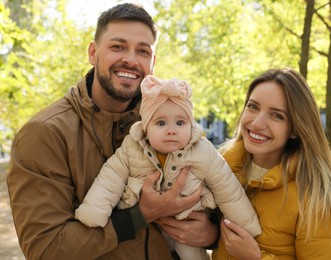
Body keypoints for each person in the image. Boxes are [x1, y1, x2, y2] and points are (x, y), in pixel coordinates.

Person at [7, 3, 218, 259]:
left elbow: (217, 185)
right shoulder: (44, 135)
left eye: (142, 51)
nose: (130, 59)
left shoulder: (170, 120)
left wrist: (213, 233)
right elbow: (46, 249)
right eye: (117, 47)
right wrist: (140, 215)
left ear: (152, 62)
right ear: (93, 53)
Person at [75, 75, 262, 260]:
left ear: (190, 125)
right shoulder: (132, 147)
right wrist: (94, 211)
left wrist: (246, 224)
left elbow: (227, 188)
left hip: (188, 221)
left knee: (192, 255)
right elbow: (110, 178)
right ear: (146, 128)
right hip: (145, 227)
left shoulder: (202, 151)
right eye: (161, 123)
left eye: (180, 123)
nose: (171, 130)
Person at [212, 68, 331, 259]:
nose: (257, 123)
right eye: (253, 106)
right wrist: (210, 234)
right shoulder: (220, 170)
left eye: (277, 115)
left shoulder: (317, 198)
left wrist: (256, 258)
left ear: (295, 128)